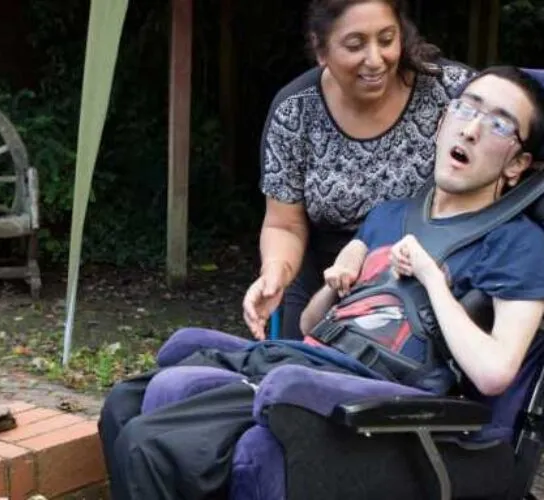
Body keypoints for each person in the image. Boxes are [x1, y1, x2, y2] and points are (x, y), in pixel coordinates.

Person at [99, 66, 544, 500]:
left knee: (149, 443)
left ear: (518, 164)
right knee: (124, 404)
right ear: (445, 119)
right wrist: (337, 281)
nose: (472, 130)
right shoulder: (389, 215)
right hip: (304, 361)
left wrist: (431, 278)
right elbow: (314, 325)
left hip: (368, 398)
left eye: (500, 124)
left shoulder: (518, 244)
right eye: (467, 109)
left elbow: (494, 372)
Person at [245, 0, 473, 341]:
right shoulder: (295, 110)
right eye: (355, 45)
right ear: (322, 50)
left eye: (386, 39)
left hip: (434, 266)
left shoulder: (452, 90)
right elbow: (284, 223)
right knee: (295, 370)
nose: (375, 59)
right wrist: (275, 272)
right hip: (329, 274)